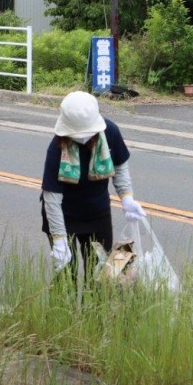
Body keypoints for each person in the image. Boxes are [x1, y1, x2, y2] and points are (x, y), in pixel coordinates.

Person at [41, 91, 146, 279]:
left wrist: (127, 198)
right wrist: (59, 240)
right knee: (66, 277)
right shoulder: (57, 147)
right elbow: (51, 197)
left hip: (97, 214)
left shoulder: (110, 132)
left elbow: (120, 167)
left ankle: (96, 309)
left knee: (100, 276)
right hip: (64, 217)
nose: (83, 138)